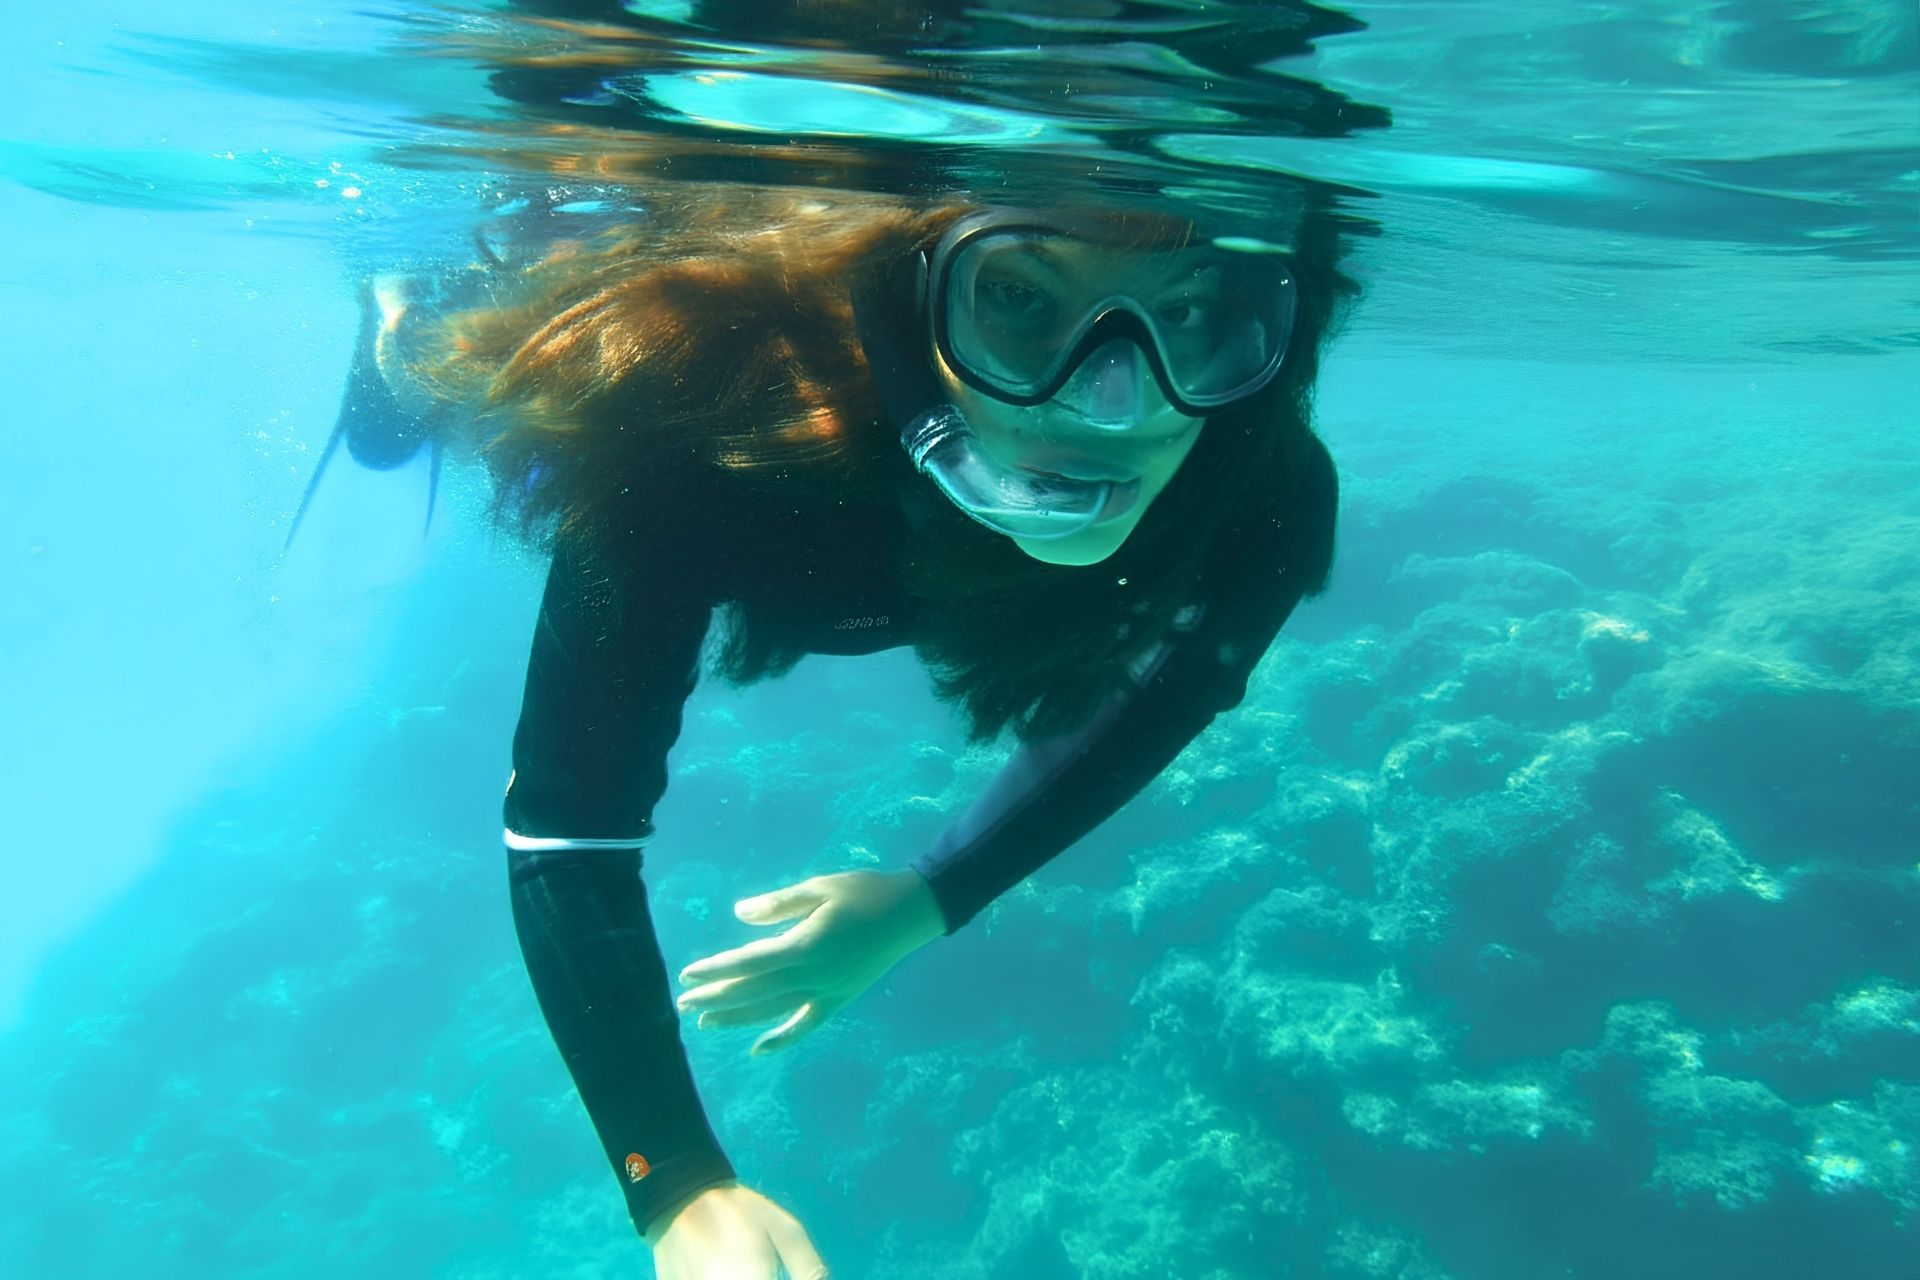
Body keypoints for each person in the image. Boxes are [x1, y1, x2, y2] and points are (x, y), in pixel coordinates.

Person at [309, 181, 1356, 1278]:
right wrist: (672, 1178)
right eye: (1015, 293)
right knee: (404, 415)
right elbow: (567, 827)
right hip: (626, 358)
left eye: (1189, 310)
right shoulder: (688, 431)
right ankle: (400, 316)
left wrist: (928, 896)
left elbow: (1179, 690)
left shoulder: (1260, 486)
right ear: (912, 309)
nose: (1109, 403)